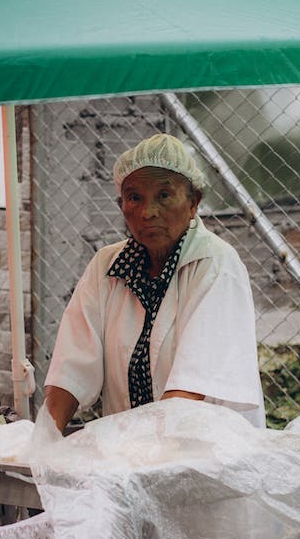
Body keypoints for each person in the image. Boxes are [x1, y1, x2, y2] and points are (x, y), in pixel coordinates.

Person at [43, 133, 266, 431]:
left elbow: (191, 387)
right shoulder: (107, 266)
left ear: (193, 203)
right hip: (132, 454)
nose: (148, 212)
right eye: (135, 198)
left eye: (164, 195)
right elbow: (71, 368)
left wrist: (138, 451)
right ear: (122, 204)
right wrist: (42, 439)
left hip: (205, 453)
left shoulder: (216, 264)